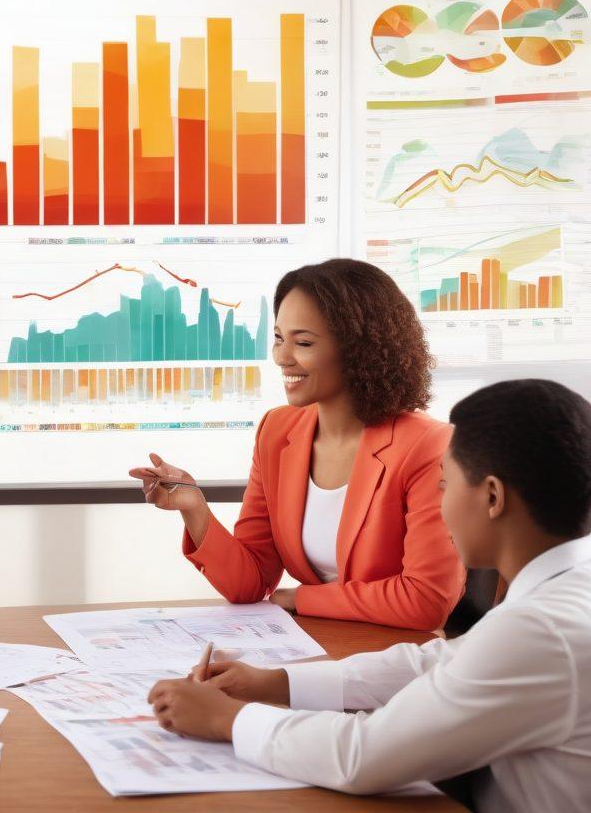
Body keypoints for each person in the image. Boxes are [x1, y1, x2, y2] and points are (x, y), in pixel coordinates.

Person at [147, 379, 591, 812]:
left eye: (444, 483)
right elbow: (440, 662)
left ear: (492, 496)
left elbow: (363, 757)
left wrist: (224, 719)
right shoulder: (561, 595)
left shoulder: (540, 632)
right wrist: (273, 682)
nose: (438, 502)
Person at [130, 258, 464, 630]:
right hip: (317, 643)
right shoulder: (278, 430)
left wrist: (301, 597)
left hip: (393, 656)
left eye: (302, 342)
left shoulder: (428, 445)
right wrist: (195, 509)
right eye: (278, 338)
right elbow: (250, 581)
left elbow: (425, 601)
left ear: (359, 348)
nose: (281, 358)